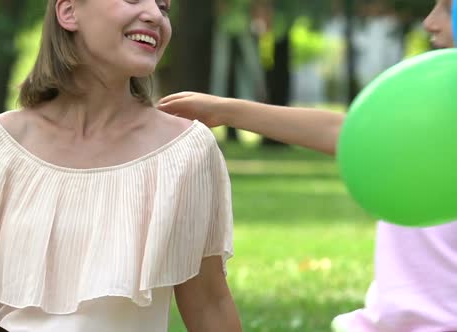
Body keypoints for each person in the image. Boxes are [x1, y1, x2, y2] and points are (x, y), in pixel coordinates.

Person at [0, 0, 241, 331]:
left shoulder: (185, 151)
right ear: (68, 11)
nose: (153, 15)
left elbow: (208, 303)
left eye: (164, 6)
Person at [158, 0, 457, 331]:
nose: (430, 22)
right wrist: (223, 110)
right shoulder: (435, 124)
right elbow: (346, 132)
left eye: (447, 9)